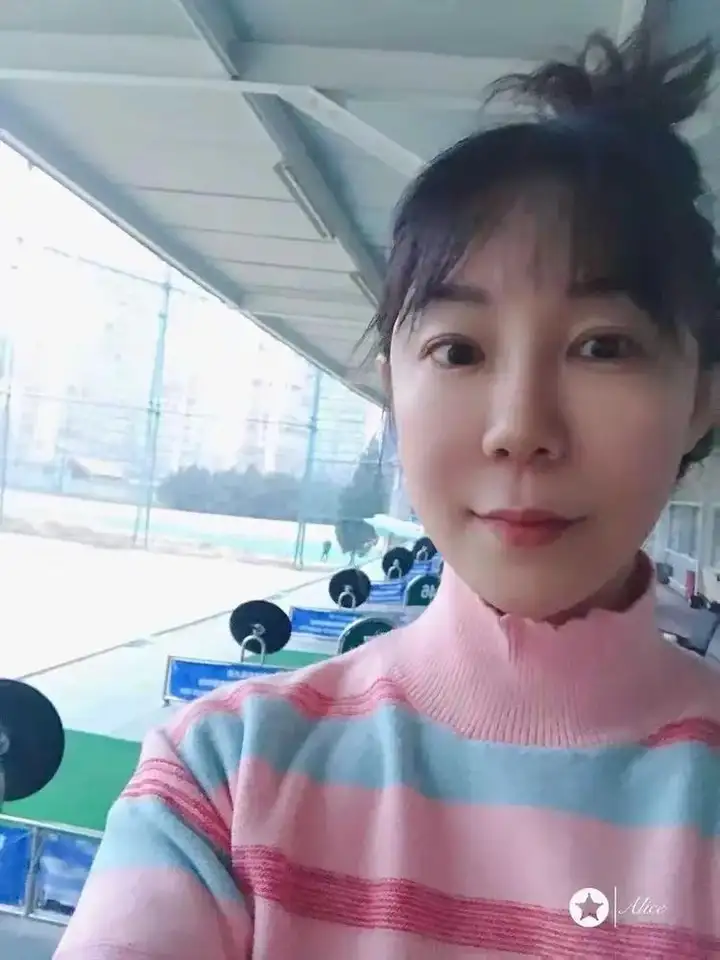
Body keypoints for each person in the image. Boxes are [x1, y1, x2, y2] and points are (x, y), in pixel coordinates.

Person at [55, 27, 720, 959]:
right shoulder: (223, 782)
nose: (519, 427)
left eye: (603, 345)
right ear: (392, 390)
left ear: (701, 403)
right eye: (459, 350)